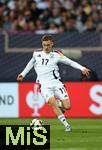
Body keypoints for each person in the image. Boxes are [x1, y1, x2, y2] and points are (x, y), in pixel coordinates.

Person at [17, 35, 90, 132]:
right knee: (52, 103)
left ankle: (58, 104)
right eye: (44, 45)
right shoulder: (36, 53)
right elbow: (31, 63)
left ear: (52, 44)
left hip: (57, 84)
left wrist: (82, 68)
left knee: (67, 107)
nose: (46, 47)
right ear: (42, 45)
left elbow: (70, 62)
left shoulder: (57, 54)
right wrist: (23, 74)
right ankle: (67, 125)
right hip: (44, 85)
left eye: (48, 45)